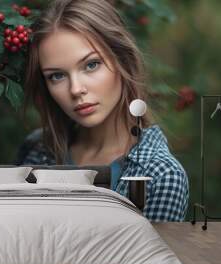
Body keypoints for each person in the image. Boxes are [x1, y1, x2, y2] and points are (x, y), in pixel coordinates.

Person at [15, 0, 189, 222]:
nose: (76, 89)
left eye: (91, 65)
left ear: (122, 60)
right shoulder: (37, 150)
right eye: (57, 76)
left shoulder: (160, 176)